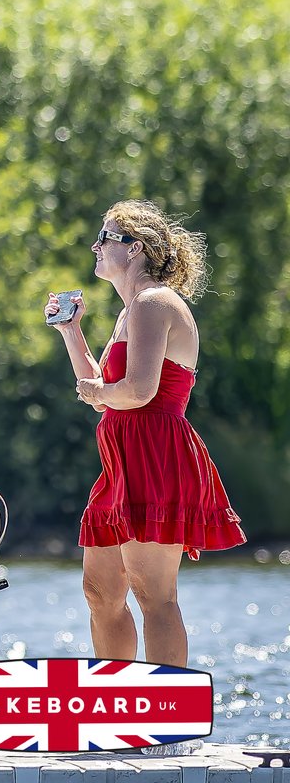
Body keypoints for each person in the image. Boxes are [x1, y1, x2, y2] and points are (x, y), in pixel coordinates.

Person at [48, 201, 243, 668]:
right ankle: (116, 693)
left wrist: (99, 391)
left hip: (156, 455)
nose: (95, 246)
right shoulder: (131, 310)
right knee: (100, 591)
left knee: (153, 594)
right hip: (122, 460)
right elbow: (103, 394)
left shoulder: (155, 302)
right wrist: (72, 332)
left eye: (105, 238)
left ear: (134, 248)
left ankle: (168, 708)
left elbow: (137, 392)